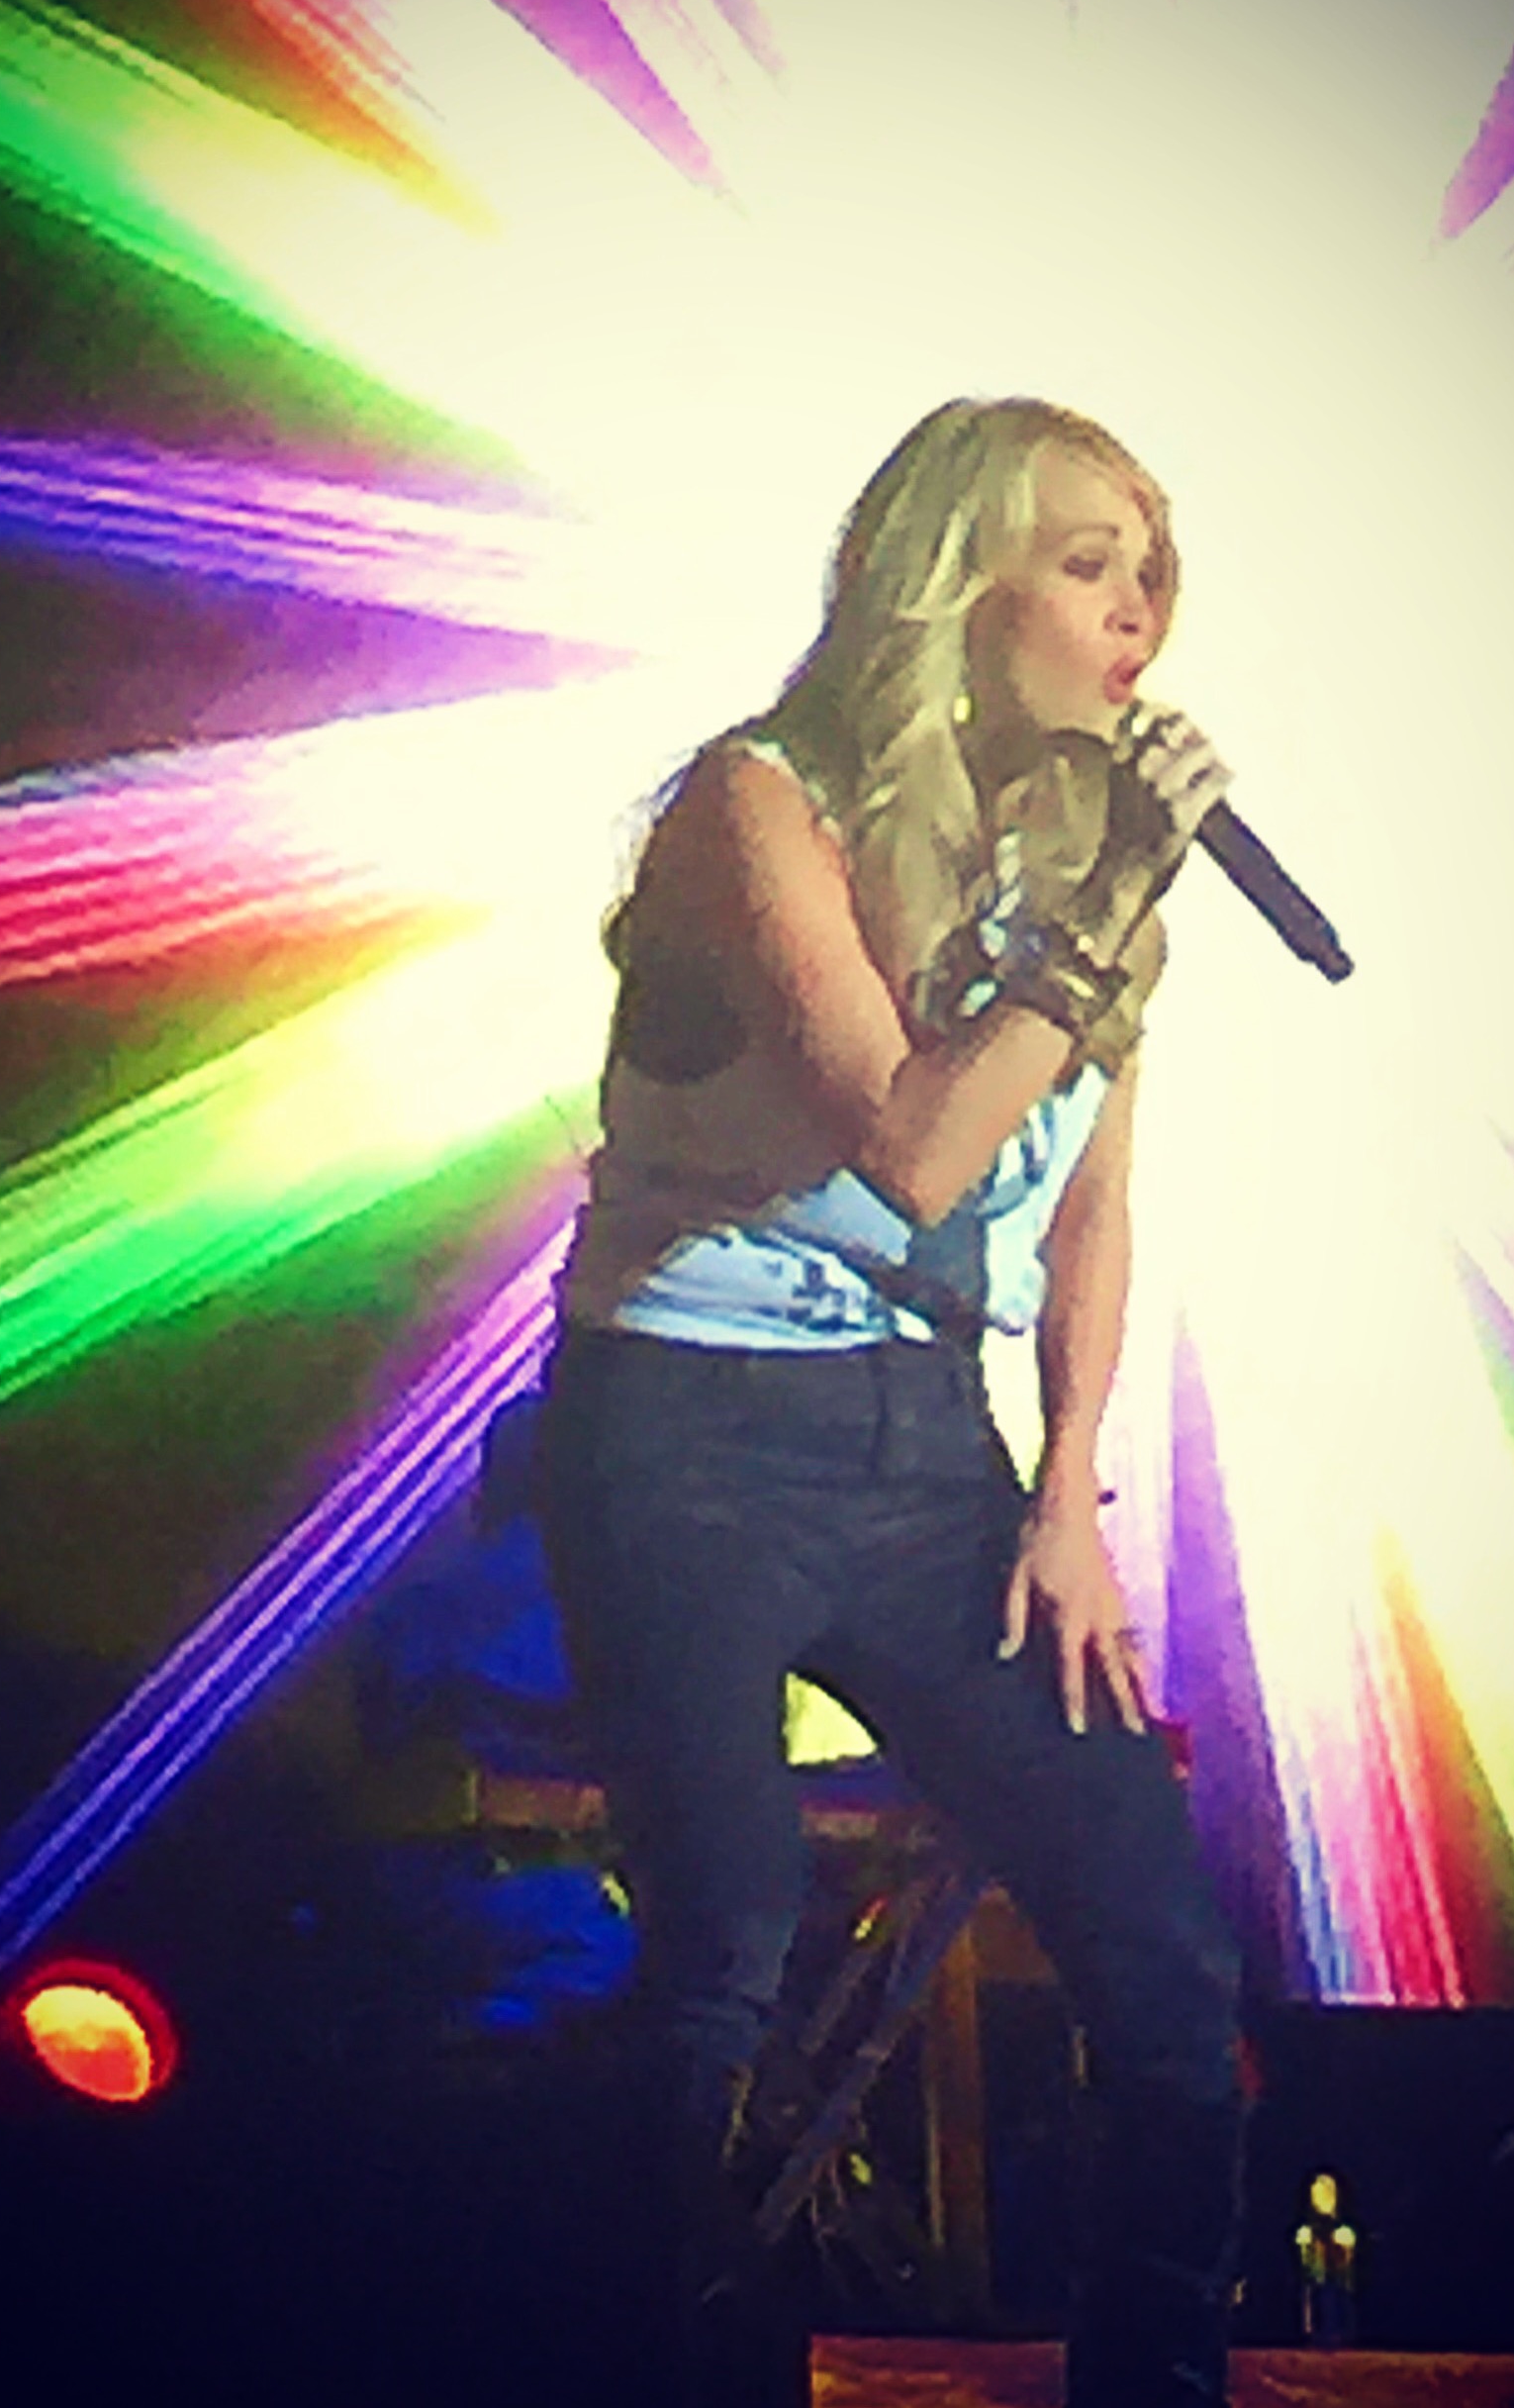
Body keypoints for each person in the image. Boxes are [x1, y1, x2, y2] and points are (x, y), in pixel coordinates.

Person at [532, 399, 1246, 2407]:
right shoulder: (760, 807)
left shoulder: (1091, 882)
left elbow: (1088, 1202)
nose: (1138, 615)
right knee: (725, 1940)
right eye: (1088, 565)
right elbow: (920, 1152)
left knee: (1167, 1957)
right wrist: (1098, 925)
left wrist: (1068, 1491)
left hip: (929, 1443)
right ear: (953, 583)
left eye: (1153, 573)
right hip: (689, 1417)